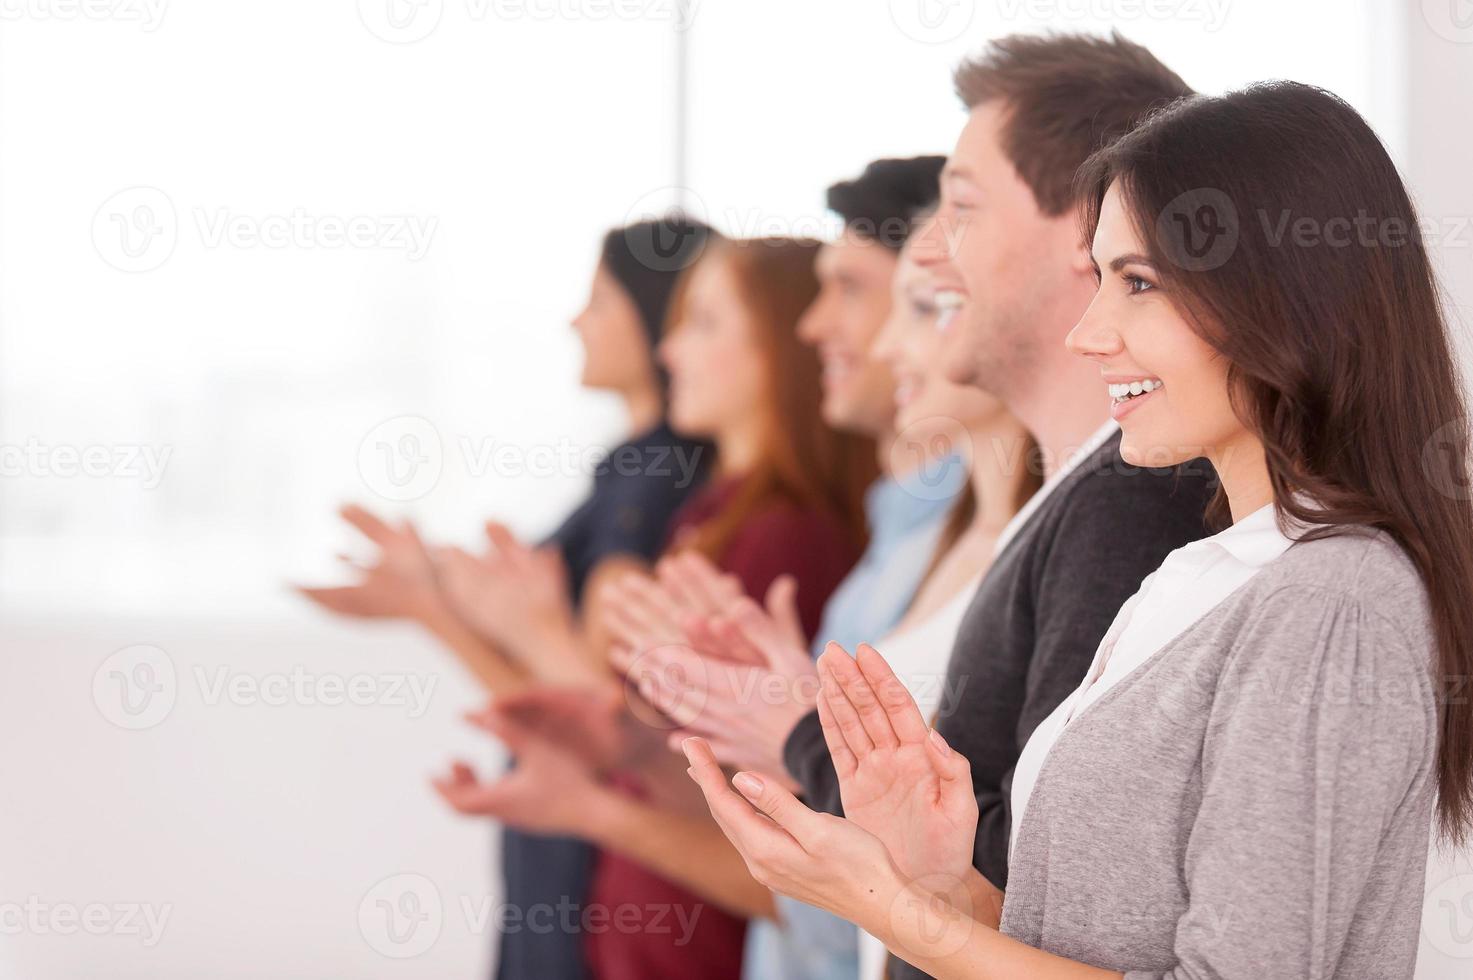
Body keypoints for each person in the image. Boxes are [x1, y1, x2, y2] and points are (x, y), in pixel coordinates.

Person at [684, 80, 1473, 980]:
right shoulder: (1197, 577)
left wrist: (891, 909)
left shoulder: (1333, 601)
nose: (1089, 333)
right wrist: (936, 880)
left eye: (1138, 283)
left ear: (1284, 295)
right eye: (1098, 279)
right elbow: (1073, 941)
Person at [433, 236, 871, 980]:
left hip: (694, 939)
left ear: (777, 348)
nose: (671, 352)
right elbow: (664, 748)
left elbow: (754, 799)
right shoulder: (713, 513)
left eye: (702, 324)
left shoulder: (784, 533)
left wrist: (527, 631)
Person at [616, 222, 1041, 980]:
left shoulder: (796, 532)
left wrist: (790, 729)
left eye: (920, 305)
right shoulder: (910, 535)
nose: (865, 340)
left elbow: (980, 871)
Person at [299, 217, 713, 980]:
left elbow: (588, 703)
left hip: (591, 841)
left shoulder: (653, 479)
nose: (574, 322)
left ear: (655, 317)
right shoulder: (636, 471)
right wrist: (438, 591)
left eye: (598, 302)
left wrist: (427, 608)